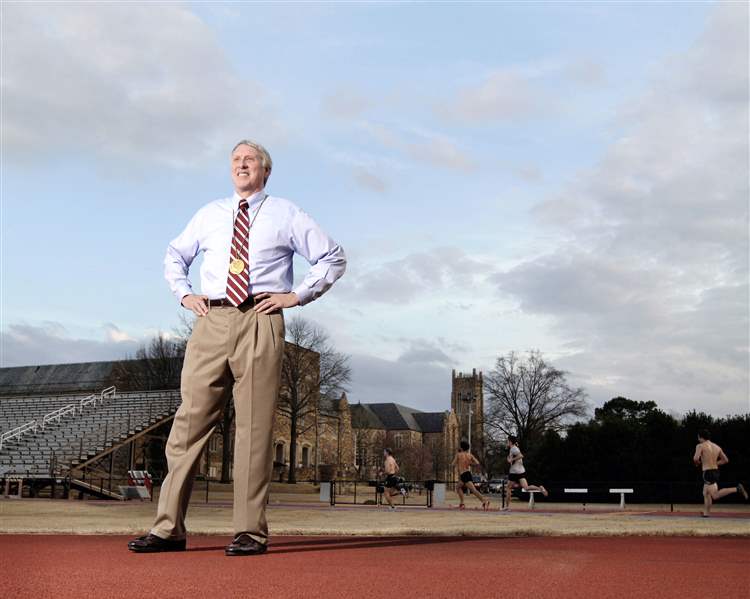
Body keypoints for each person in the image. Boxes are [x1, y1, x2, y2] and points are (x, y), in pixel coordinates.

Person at [128, 140, 346, 556]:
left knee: (254, 430)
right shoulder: (209, 214)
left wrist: (296, 296)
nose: (241, 164)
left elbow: (333, 258)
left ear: (265, 171)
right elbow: (175, 255)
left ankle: (249, 531)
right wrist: (183, 293)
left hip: (260, 318)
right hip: (211, 320)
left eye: (250, 160)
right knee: (188, 425)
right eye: (235, 160)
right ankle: (167, 528)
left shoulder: (285, 212)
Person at [693, 429, 747, 518]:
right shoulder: (717, 447)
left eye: (698, 437)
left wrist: (697, 463)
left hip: (707, 473)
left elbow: (695, 458)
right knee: (706, 492)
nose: (698, 439)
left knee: (715, 495)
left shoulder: (700, 446)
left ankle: (737, 489)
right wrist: (714, 463)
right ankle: (706, 514)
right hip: (715, 472)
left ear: (700, 437)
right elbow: (725, 460)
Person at [504, 435, 547, 510]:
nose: (506, 442)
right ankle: (540, 488)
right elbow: (516, 458)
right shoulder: (513, 448)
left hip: (514, 472)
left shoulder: (514, 449)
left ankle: (506, 507)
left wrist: (511, 460)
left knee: (508, 488)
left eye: (507, 441)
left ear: (510, 441)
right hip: (520, 471)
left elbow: (521, 456)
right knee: (526, 488)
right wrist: (510, 460)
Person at [452, 441, 490, 510]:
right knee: (458, 487)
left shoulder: (458, 455)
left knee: (473, 490)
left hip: (464, 474)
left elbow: (453, 464)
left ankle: (485, 501)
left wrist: (457, 462)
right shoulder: (470, 455)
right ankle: (462, 503)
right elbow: (477, 463)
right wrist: (470, 463)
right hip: (466, 473)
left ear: (461, 447)